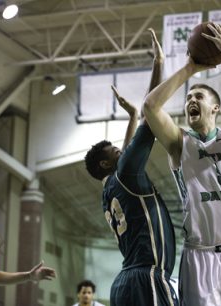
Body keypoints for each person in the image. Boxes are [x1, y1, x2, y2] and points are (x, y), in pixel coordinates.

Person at [143, 22, 221, 306]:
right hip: (201, 256)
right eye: (188, 98)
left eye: (198, 96)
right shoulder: (178, 142)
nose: (190, 101)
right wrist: (190, 68)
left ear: (215, 108)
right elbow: (150, 107)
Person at [84, 29, 178, 306]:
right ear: (106, 162)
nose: (121, 150)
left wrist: (132, 115)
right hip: (146, 277)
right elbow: (152, 113)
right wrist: (159, 65)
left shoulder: (109, 188)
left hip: (126, 281)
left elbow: (125, 151)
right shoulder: (124, 174)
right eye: (116, 151)